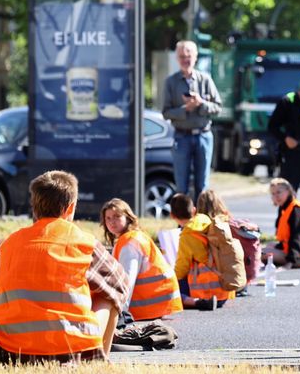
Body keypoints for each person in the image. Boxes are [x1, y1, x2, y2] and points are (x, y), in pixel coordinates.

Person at [0, 170, 130, 365]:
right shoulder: (83, 242)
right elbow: (121, 282)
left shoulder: (9, 243)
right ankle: (98, 362)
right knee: (108, 295)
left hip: (9, 351)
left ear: (34, 207)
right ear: (70, 207)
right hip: (67, 349)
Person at [100, 198, 183, 321]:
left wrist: (121, 312)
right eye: (108, 218)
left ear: (128, 217)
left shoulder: (129, 243)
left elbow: (127, 280)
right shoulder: (132, 237)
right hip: (159, 301)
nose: (112, 222)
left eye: (117, 216)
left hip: (151, 304)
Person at [162, 40, 222, 202]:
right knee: (181, 186)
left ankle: (202, 222)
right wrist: (185, 109)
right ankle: (182, 224)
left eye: (189, 56)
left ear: (195, 57)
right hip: (181, 137)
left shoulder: (205, 80)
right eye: (182, 56)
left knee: (202, 185)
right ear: (177, 58)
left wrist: (201, 103)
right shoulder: (171, 82)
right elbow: (166, 112)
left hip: (203, 136)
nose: (185, 59)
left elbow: (218, 107)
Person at [170, 193, 233, 310]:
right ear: (194, 210)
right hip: (225, 288)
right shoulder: (204, 219)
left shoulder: (187, 235)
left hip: (207, 290)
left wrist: (172, 278)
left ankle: (199, 302)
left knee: (171, 291)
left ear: (172, 216)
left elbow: (182, 267)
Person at [268, 74, 300, 210]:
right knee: (288, 196)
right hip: (293, 155)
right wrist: (285, 138)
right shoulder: (288, 101)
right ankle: (285, 227)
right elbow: (272, 126)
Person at [262, 178, 300, 268]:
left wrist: (290, 262)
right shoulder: (284, 208)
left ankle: (295, 262)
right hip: (296, 250)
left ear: (288, 191)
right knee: (269, 246)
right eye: (273, 194)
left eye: (279, 192)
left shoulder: (296, 209)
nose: (276, 196)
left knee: (263, 253)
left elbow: (297, 238)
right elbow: (286, 239)